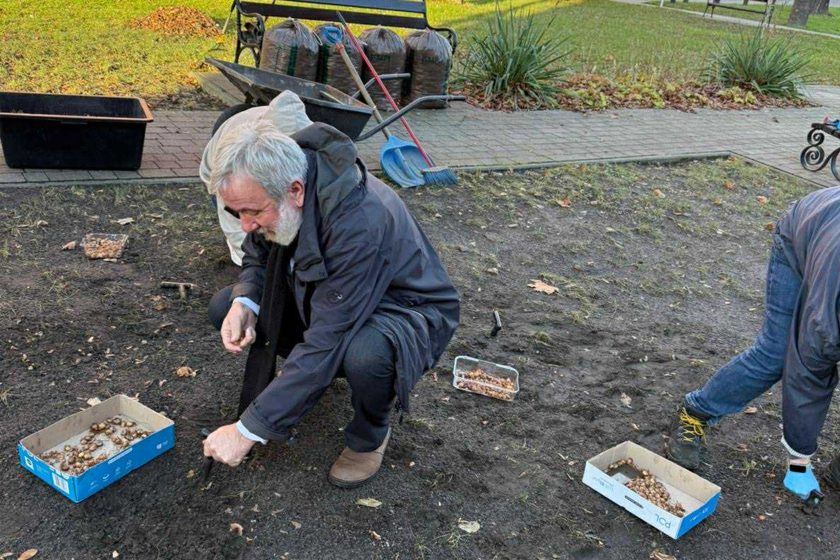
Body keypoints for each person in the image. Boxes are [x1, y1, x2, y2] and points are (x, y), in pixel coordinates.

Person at [201, 119, 460, 488]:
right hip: (333, 299)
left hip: (407, 309)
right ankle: (303, 384)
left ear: (295, 192)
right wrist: (247, 300)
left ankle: (371, 435)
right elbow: (257, 255)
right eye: (236, 212)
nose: (245, 225)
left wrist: (247, 431)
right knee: (224, 306)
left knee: (365, 354)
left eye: (253, 212)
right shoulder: (280, 184)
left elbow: (328, 338)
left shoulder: (360, 224)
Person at [667, 186, 840, 502]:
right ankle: (695, 412)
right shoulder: (830, 312)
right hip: (802, 234)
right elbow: (808, 376)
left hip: (829, 236)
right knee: (776, 354)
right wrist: (799, 463)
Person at [199, 91, 313, 265]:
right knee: (248, 224)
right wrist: (248, 264)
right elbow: (238, 225)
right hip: (221, 165)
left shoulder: (311, 151)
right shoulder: (236, 170)